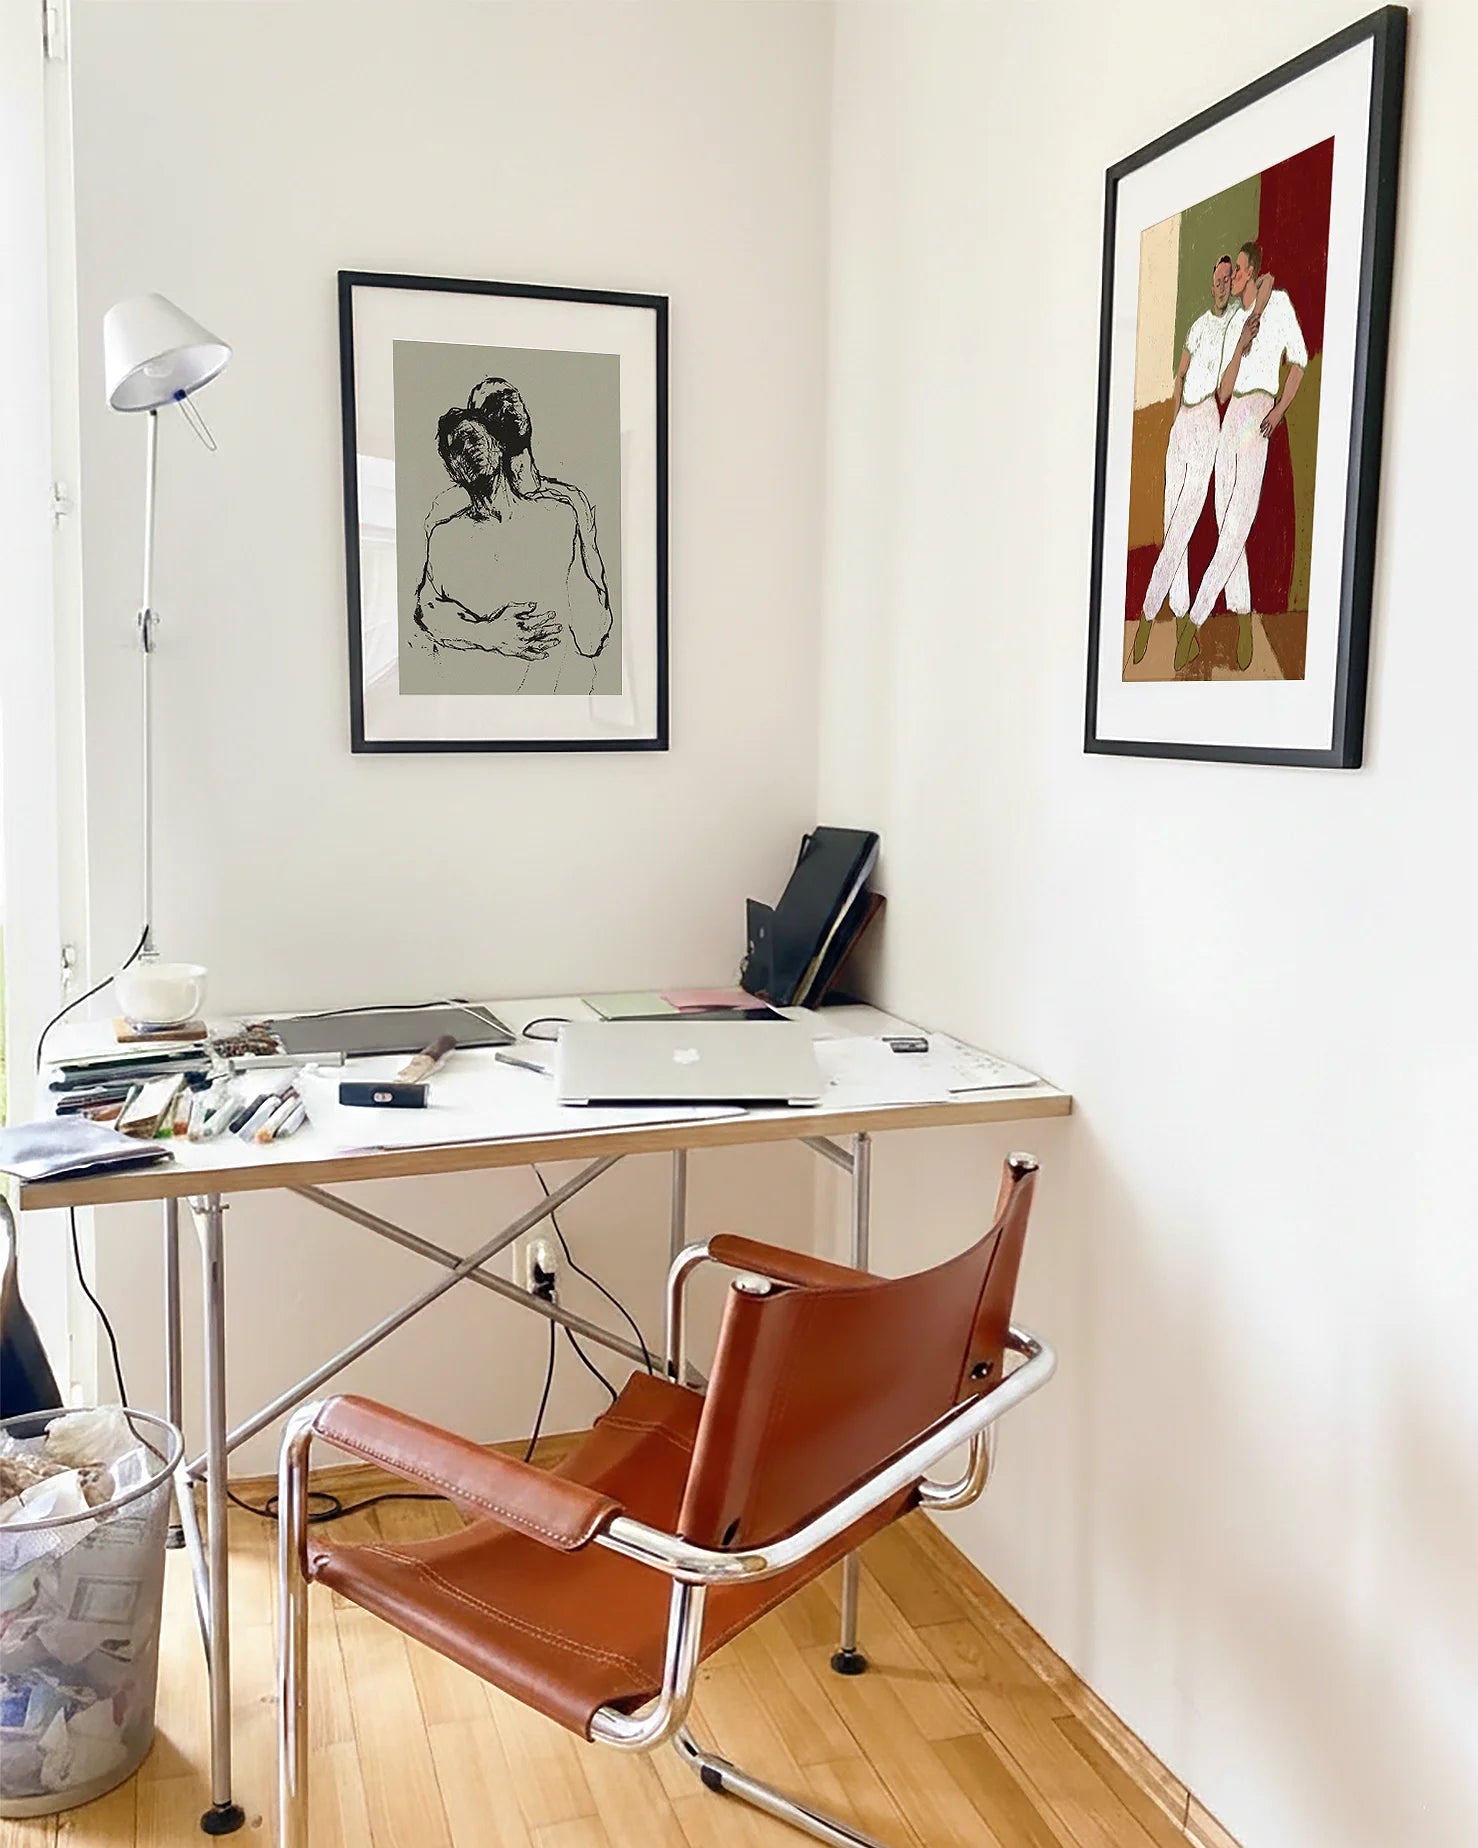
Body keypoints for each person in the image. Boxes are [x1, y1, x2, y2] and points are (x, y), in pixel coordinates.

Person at [412, 409, 612, 693]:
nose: (468, 448)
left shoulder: (559, 516)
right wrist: (489, 634)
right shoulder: (445, 536)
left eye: (473, 437)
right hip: (484, 700)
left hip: (558, 695)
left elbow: (592, 633)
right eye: (456, 447)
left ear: (498, 445)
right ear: (452, 469)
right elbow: (428, 610)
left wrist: (587, 543)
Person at [1177, 242, 1306, 672]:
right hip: (1231, 417)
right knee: (1223, 516)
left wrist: (1280, 409)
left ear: (1250, 273)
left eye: (1237, 273)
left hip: (1257, 415)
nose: (1230, 279)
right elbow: (1225, 388)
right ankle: (1244, 615)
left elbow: (1299, 363)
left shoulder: (1278, 302)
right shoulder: (1236, 321)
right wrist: (1241, 343)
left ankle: (1194, 622)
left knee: (1238, 523)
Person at [1129, 256, 1235, 665]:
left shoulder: (1234, 325)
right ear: (1211, 285)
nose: (1222, 284)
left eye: (1228, 278)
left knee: (1183, 524)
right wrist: (1175, 420)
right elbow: (1181, 373)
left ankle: (1147, 615)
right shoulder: (1198, 324)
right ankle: (1177, 628)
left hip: (1208, 420)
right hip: (1184, 424)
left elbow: (1224, 389)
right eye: (1218, 279)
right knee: (1172, 518)